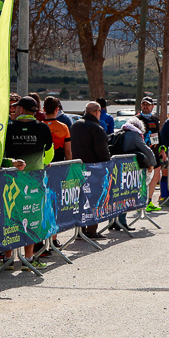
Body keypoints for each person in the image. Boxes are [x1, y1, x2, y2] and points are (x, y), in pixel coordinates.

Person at [6, 96, 54, 264]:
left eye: (16, 107)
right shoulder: (43, 127)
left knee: (10, 216)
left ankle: (7, 259)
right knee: (32, 215)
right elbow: (50, 151)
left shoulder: (8, 127)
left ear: (21, 109)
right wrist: (43, 163)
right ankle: (29, 258)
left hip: (12, 178)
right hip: (34, 178)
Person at [70, 101, 110, 239]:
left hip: (76, 168)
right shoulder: (97, 128)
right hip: (94, 169)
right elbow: (102, 151)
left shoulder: (75, 125)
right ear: (97, 112)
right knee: (94, 200)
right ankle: (92, 230)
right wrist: (107, 164)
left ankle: (80, 230)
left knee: (79, 200)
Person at [137, 97, 163, 209]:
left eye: (148, 105)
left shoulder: (155, 119)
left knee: (156, 175)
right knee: (143, 178)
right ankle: (140, 202)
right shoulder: (137, 119)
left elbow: (157, 134)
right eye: (144, 105)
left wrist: (162, 149)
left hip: (154, 151)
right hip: (142, 153)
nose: (145, 107)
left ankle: (149, 200)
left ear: (152, 106)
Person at [42, 96, 73, 162]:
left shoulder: (39, 127)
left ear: (44, 109)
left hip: (42, 164)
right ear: (57, 109)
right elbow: (68, 152)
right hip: (59, 164)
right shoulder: (63, 127)